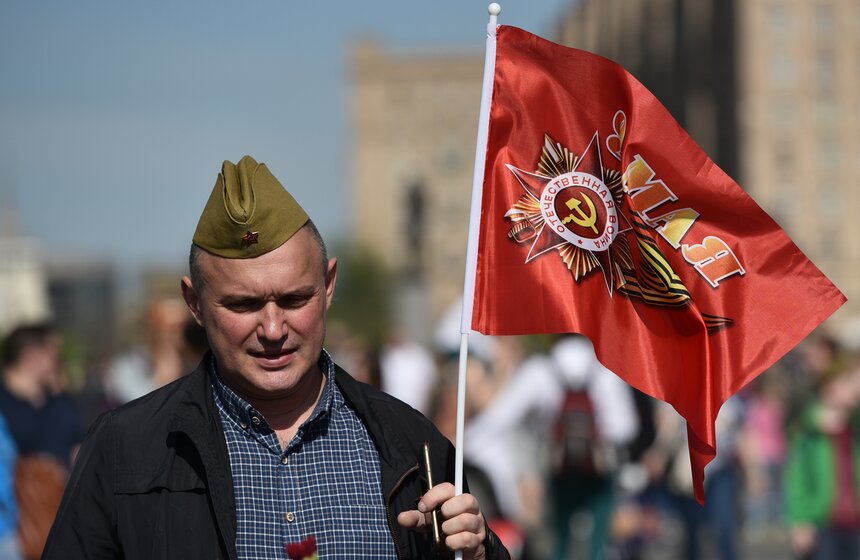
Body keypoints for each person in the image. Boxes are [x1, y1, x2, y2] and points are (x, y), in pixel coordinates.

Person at [43, 155, 509, 560]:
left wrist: (480, 550)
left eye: (293, 300)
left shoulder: (411, 444)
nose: (272, 329)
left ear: (328, 286)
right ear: (195, 304)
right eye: (243, 305)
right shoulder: (127, 448)